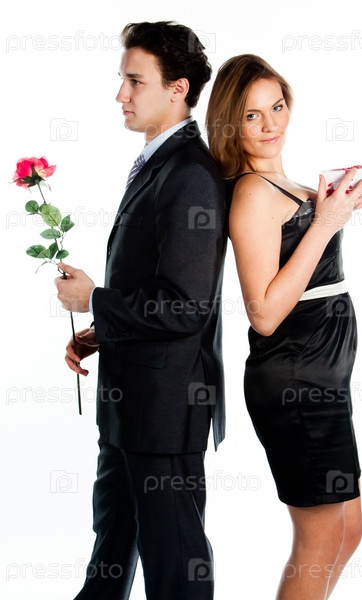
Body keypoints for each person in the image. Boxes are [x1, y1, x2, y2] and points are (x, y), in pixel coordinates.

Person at [55, 21, 226, 600]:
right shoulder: (160, 163)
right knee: (109, 554)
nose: (120, 95)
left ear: (178, 89)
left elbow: (186, 306)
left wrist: (95, 299)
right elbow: (157, 287)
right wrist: (101, 329)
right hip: (128, 408)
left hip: (164, 414)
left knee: (175, 569)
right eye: (122, 80)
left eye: (134, 81)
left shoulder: (191, 174)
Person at [206, 54, 362, 599]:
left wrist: (332, 207)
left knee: (348, 533)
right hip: (296, 381)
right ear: (231, 124)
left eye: (276, 107)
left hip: (324, 379)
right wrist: (325, 223)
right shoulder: (252, 193)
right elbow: (265, 313)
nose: (270, 124)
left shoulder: (285, 186)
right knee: (319, 540)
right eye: (252, 115)